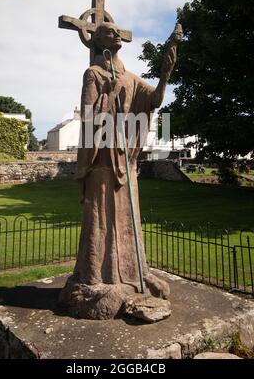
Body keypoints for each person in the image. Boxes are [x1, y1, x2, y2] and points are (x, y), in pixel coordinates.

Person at [59, 22, 182, 319]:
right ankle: (95, 279)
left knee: (128, 220)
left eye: (116, 31)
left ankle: (132, 272)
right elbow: (89, 116)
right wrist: (110, 94)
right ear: (97, 40)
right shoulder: (94, 74)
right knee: (100, 219)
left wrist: (165, 75)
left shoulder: (130, 77)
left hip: (126, 163)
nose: (115, 34)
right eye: (108, 32)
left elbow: (153, 100)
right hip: (101, 161)